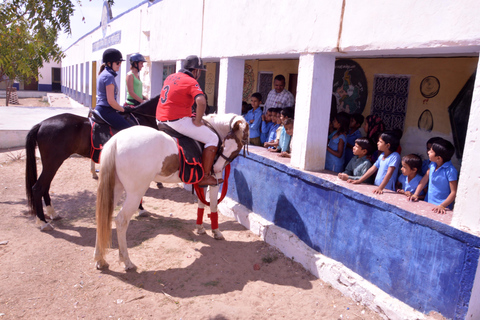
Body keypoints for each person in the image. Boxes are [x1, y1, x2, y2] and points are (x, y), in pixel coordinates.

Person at [156, 55, 222, 186]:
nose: (199, 74)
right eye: (199, 72)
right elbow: (201, 102)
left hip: (159, 120)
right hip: (175, 122)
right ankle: (205, 176)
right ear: (195, 71)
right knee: (213, 138)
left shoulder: (170, 77)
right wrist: (198, 121)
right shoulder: (191, 81)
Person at [409, 139, 458, 214]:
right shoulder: (432, 164)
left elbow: (453, 192)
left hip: (441, 208)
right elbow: (424, 179)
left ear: (438, 158)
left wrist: (442, 206)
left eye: (431, 151)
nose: (428, 152)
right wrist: (416, 194)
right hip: (428, 202)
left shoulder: (450, 171)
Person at [94, 48, 132, 131]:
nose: (119, 65)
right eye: (117, 63)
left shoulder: (104, 74)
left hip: (103, 109)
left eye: (120, 63)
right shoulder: (109, 76)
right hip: (106, 110)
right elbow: (111, 101)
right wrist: (123, 109)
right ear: (109, 63)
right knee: (129, 130)